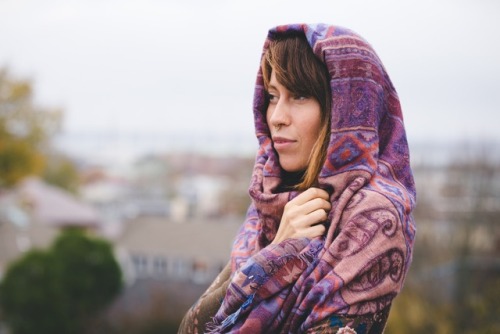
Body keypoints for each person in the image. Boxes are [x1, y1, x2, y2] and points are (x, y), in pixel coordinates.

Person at [178, 23, 416, 334]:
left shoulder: (374, 219)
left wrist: (276, 257)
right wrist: (278, 249)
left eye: (300, 96)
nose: (276, 116)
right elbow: (190, 327)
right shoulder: (273, 202)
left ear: (345, 110)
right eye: (273, 96)